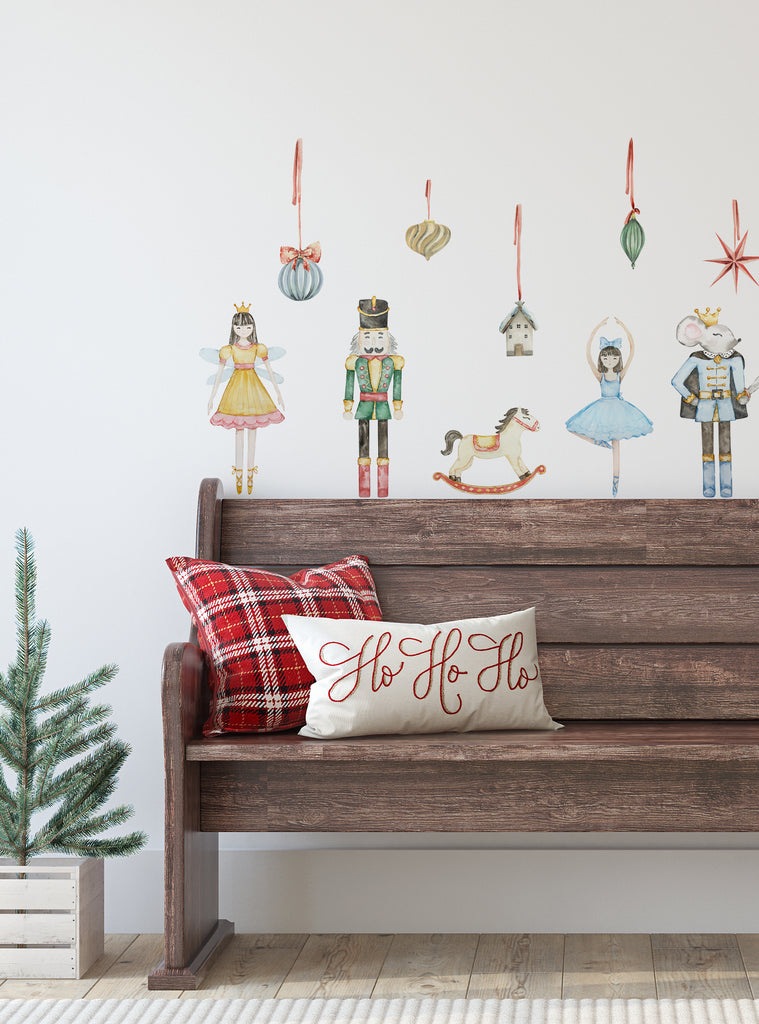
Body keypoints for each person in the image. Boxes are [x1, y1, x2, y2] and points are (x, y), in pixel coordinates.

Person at [565, 316, 653, 496]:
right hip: (602, 407)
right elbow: (587, 354)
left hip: (620, 410)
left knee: (617, 446)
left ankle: (615, 484)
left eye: (613, 357)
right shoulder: (600, 375)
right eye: (606, 357)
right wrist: (596, 329)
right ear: (602, 359)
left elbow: (633, 351)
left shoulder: (621, 374)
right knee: (573, 428)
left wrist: (624, 327)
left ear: (618, 359)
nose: (610, 360)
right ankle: (598, 442)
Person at [208, 303, 285, 495]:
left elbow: (270, 371)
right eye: (239, 327)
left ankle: (250, 472)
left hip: (253, 386)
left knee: (252, 429)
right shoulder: (229, 350)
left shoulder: (258, 348)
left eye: (247, 327)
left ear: (253, 328)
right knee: (238, 431)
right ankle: (238, 474)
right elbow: (218, 375)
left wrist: (278, 392)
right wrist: (212, 396)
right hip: (236, 387)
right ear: (234, 328)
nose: (243, 330)